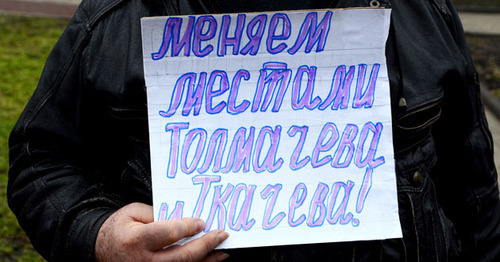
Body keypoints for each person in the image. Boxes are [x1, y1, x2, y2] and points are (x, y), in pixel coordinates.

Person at [8, 0, 500, 261]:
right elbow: (41, 160)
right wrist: (98, 237)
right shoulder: (120, 16)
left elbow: (474, 194)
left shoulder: (420, 11)